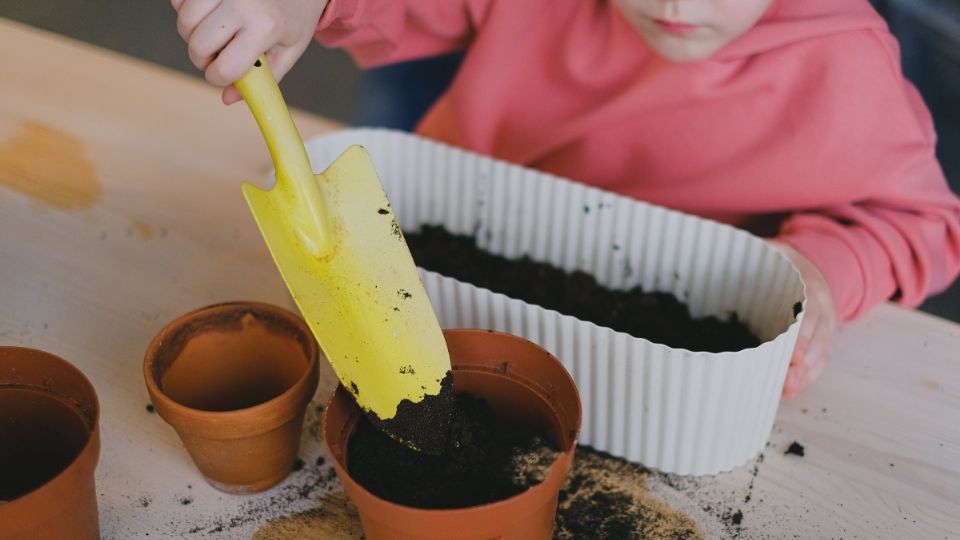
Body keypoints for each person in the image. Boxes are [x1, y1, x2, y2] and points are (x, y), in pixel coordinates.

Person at [170, 0, 960, 397]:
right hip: (449, 308)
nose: (678, 4)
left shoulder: (846, 69)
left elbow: (921, 220)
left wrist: (824, 268)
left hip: (663, 367)